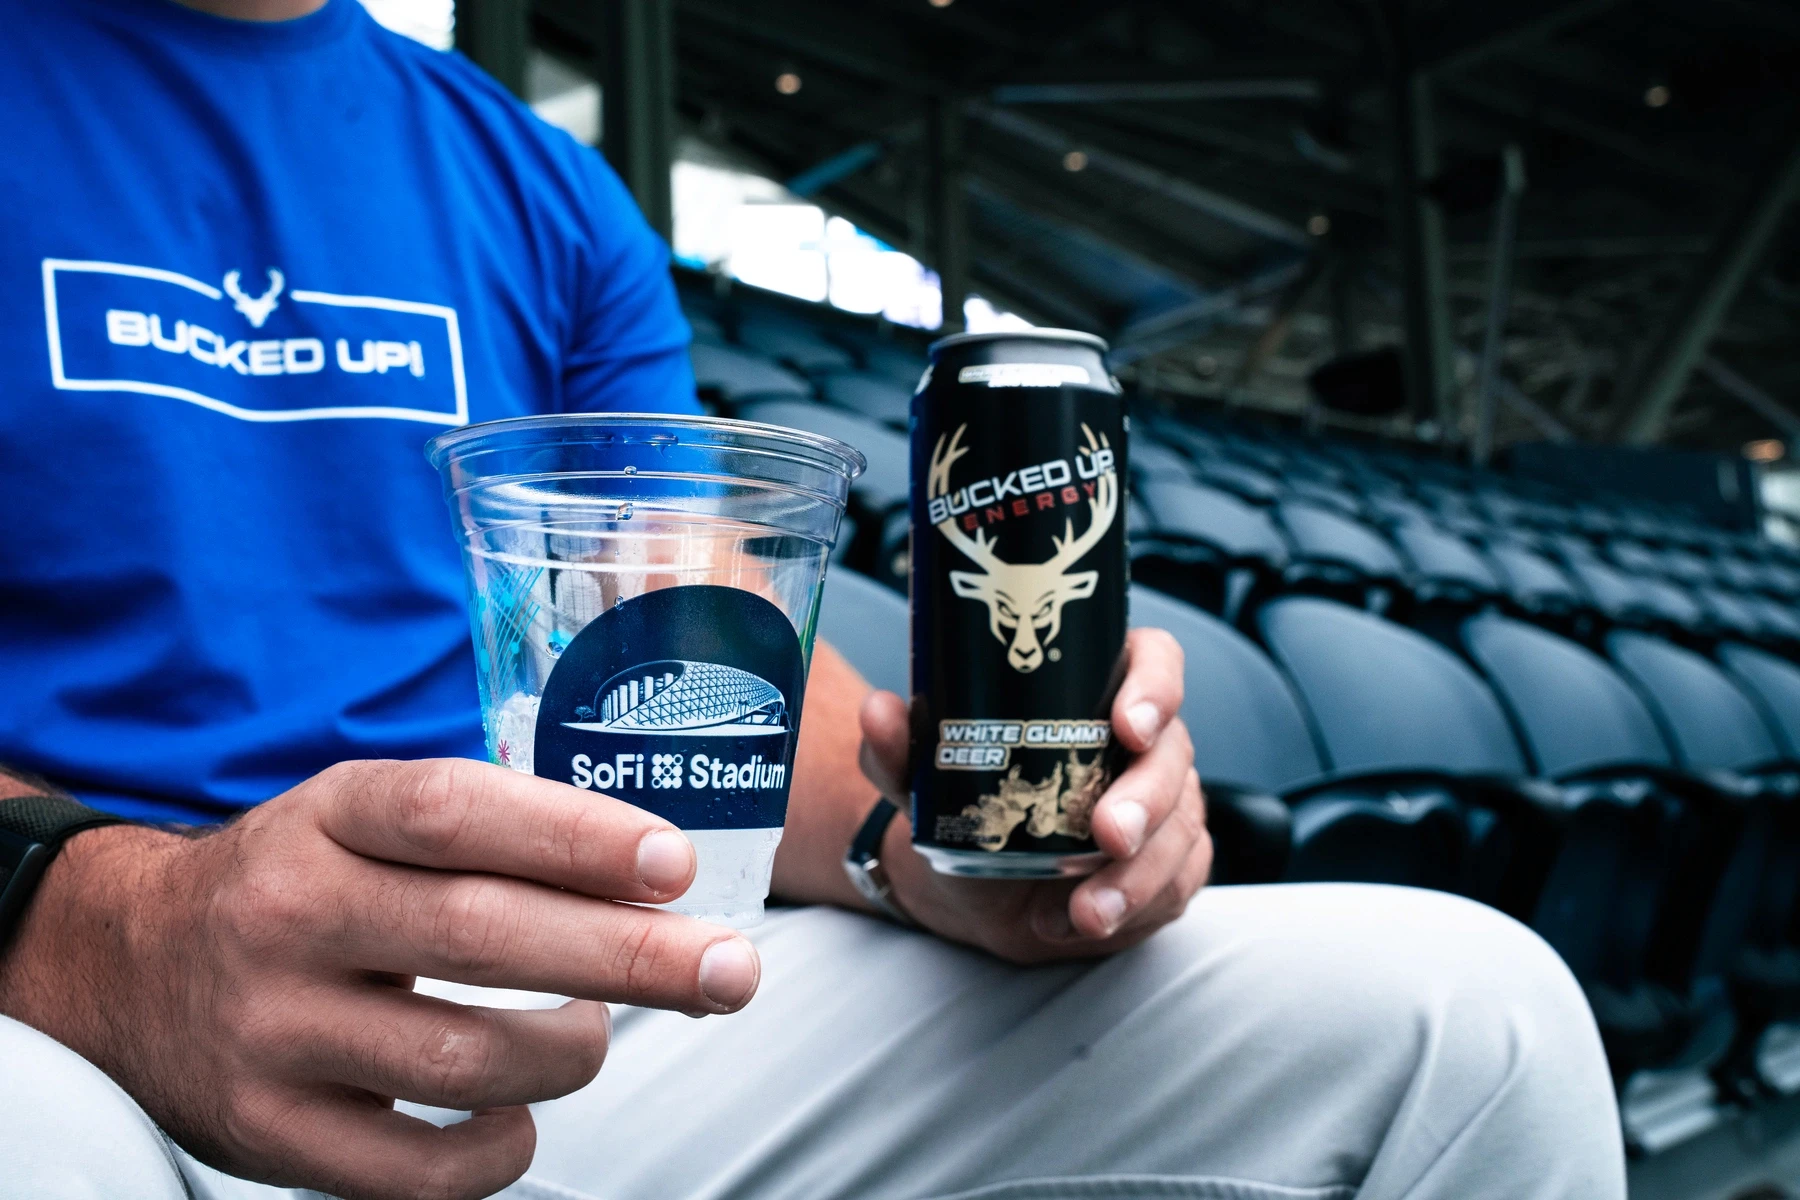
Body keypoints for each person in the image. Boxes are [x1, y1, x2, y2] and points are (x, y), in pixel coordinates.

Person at [0, 0, 1626, 1197]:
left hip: (566, 986)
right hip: (63, 1018)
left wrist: (924, 835)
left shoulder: (541, 191)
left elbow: (703, 642)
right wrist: (102, 929)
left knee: (1467, 1016)